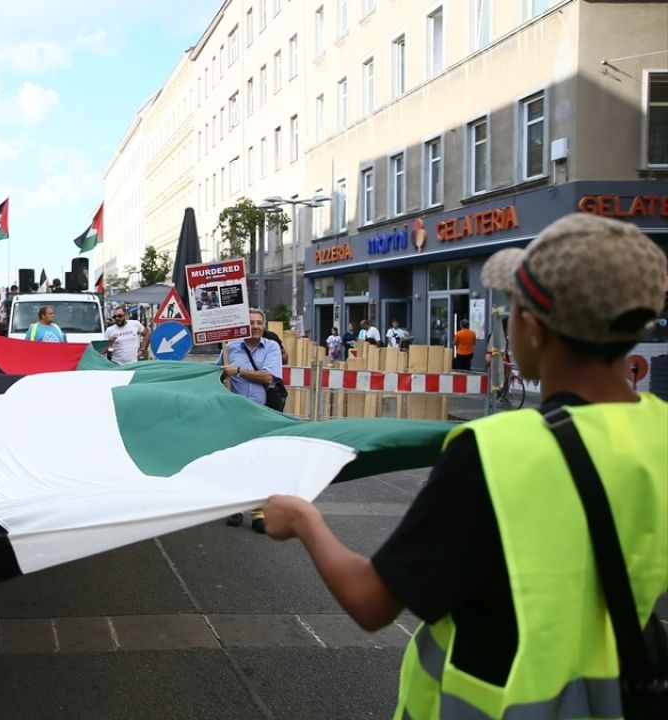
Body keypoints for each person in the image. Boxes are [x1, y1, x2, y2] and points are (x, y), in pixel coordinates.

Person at [260, 213, 668, 719]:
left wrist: (303, 519)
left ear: (534, 329)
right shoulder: (660, 432)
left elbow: (371, 602)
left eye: (510, 310)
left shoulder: (496, 450)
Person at [217, 308, 284, 533]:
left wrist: (237, 371)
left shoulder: (272, 347)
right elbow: (218, 373)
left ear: (264, 326)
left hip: (261, 414)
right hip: (234, 414)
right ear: (243, 325)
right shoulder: (231, 347)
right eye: (250, 322)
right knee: (236, 460)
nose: (255, 326)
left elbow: (267, 376)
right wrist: (223, 374)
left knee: (259, 462)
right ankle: (235, 508)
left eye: (258, 322)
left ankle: (258, 512)